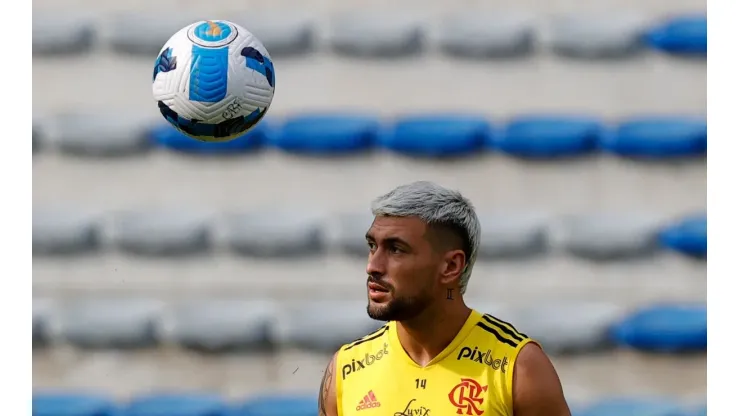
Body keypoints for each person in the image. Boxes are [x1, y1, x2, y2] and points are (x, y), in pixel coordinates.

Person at [318, 181, 571, 416]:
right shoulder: (347, 368)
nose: (372, 266)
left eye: (396, 249)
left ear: (451, 266)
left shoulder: (517, 367)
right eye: (373, 246)